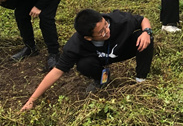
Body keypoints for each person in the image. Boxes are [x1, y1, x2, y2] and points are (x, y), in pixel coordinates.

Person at [21, 8, 154, 111]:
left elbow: (143, 19)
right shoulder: (75, 45)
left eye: (105, 25)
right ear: (88, 38)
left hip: (122, 50)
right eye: (101, 32)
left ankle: (141, 78)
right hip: (99, 59)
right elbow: (57, 71)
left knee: (145, 39)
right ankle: (100, 79)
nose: (107, 31)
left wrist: (146, 32)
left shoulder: (118, 20)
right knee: (83, 65)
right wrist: (32, 100)